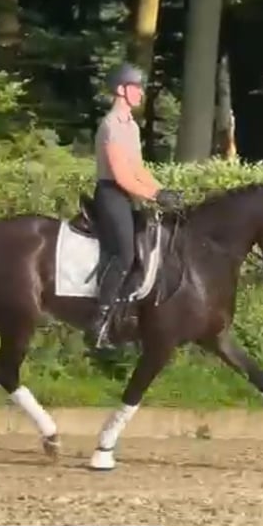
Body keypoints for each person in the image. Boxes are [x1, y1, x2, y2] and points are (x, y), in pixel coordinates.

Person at [87, 62, 184, 349]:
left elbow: (138, 169)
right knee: (126, 255)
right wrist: (153, 196)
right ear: (121, 90)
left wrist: (163, 190)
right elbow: (121, 176)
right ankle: (100, 319)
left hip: (127, 194)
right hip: (111, 195)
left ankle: (129, 317)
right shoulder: (111, 125)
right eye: (136, 88)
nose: (141, 93)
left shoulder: (130, 126)